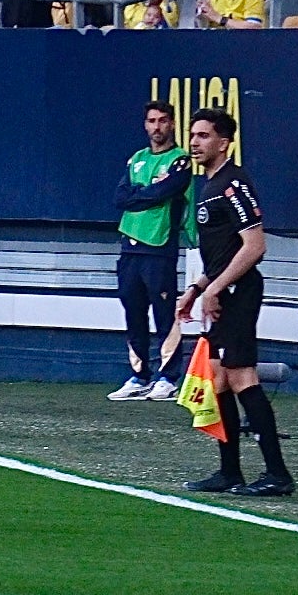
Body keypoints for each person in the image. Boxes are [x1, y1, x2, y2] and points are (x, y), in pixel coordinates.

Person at [177, 109, 295, 497]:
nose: (195, 142)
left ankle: (277, 474)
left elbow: (254, 246)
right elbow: (223, 252)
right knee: (218, 376)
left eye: (204, 136)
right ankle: (230, 471)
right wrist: (198, 288)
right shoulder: (205, 184)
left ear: (224, 143)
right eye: (193, 135)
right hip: (220, 292)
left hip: (239, 293)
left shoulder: (233, 184)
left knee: (242, 376)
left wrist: (216, 289)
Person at [107, 100, 193, 403]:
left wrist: (140, 194)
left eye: (163, 121)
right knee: (133, 311)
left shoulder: (180, 160)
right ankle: (139, 376)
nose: (156, 127)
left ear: (172, 124)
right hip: (129, 246)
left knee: (165, 313)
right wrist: (146, 194)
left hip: (159, 246)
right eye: (151, 121)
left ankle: (168, 377)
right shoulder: (137, 159)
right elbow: (120, 197)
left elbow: (165, 191)